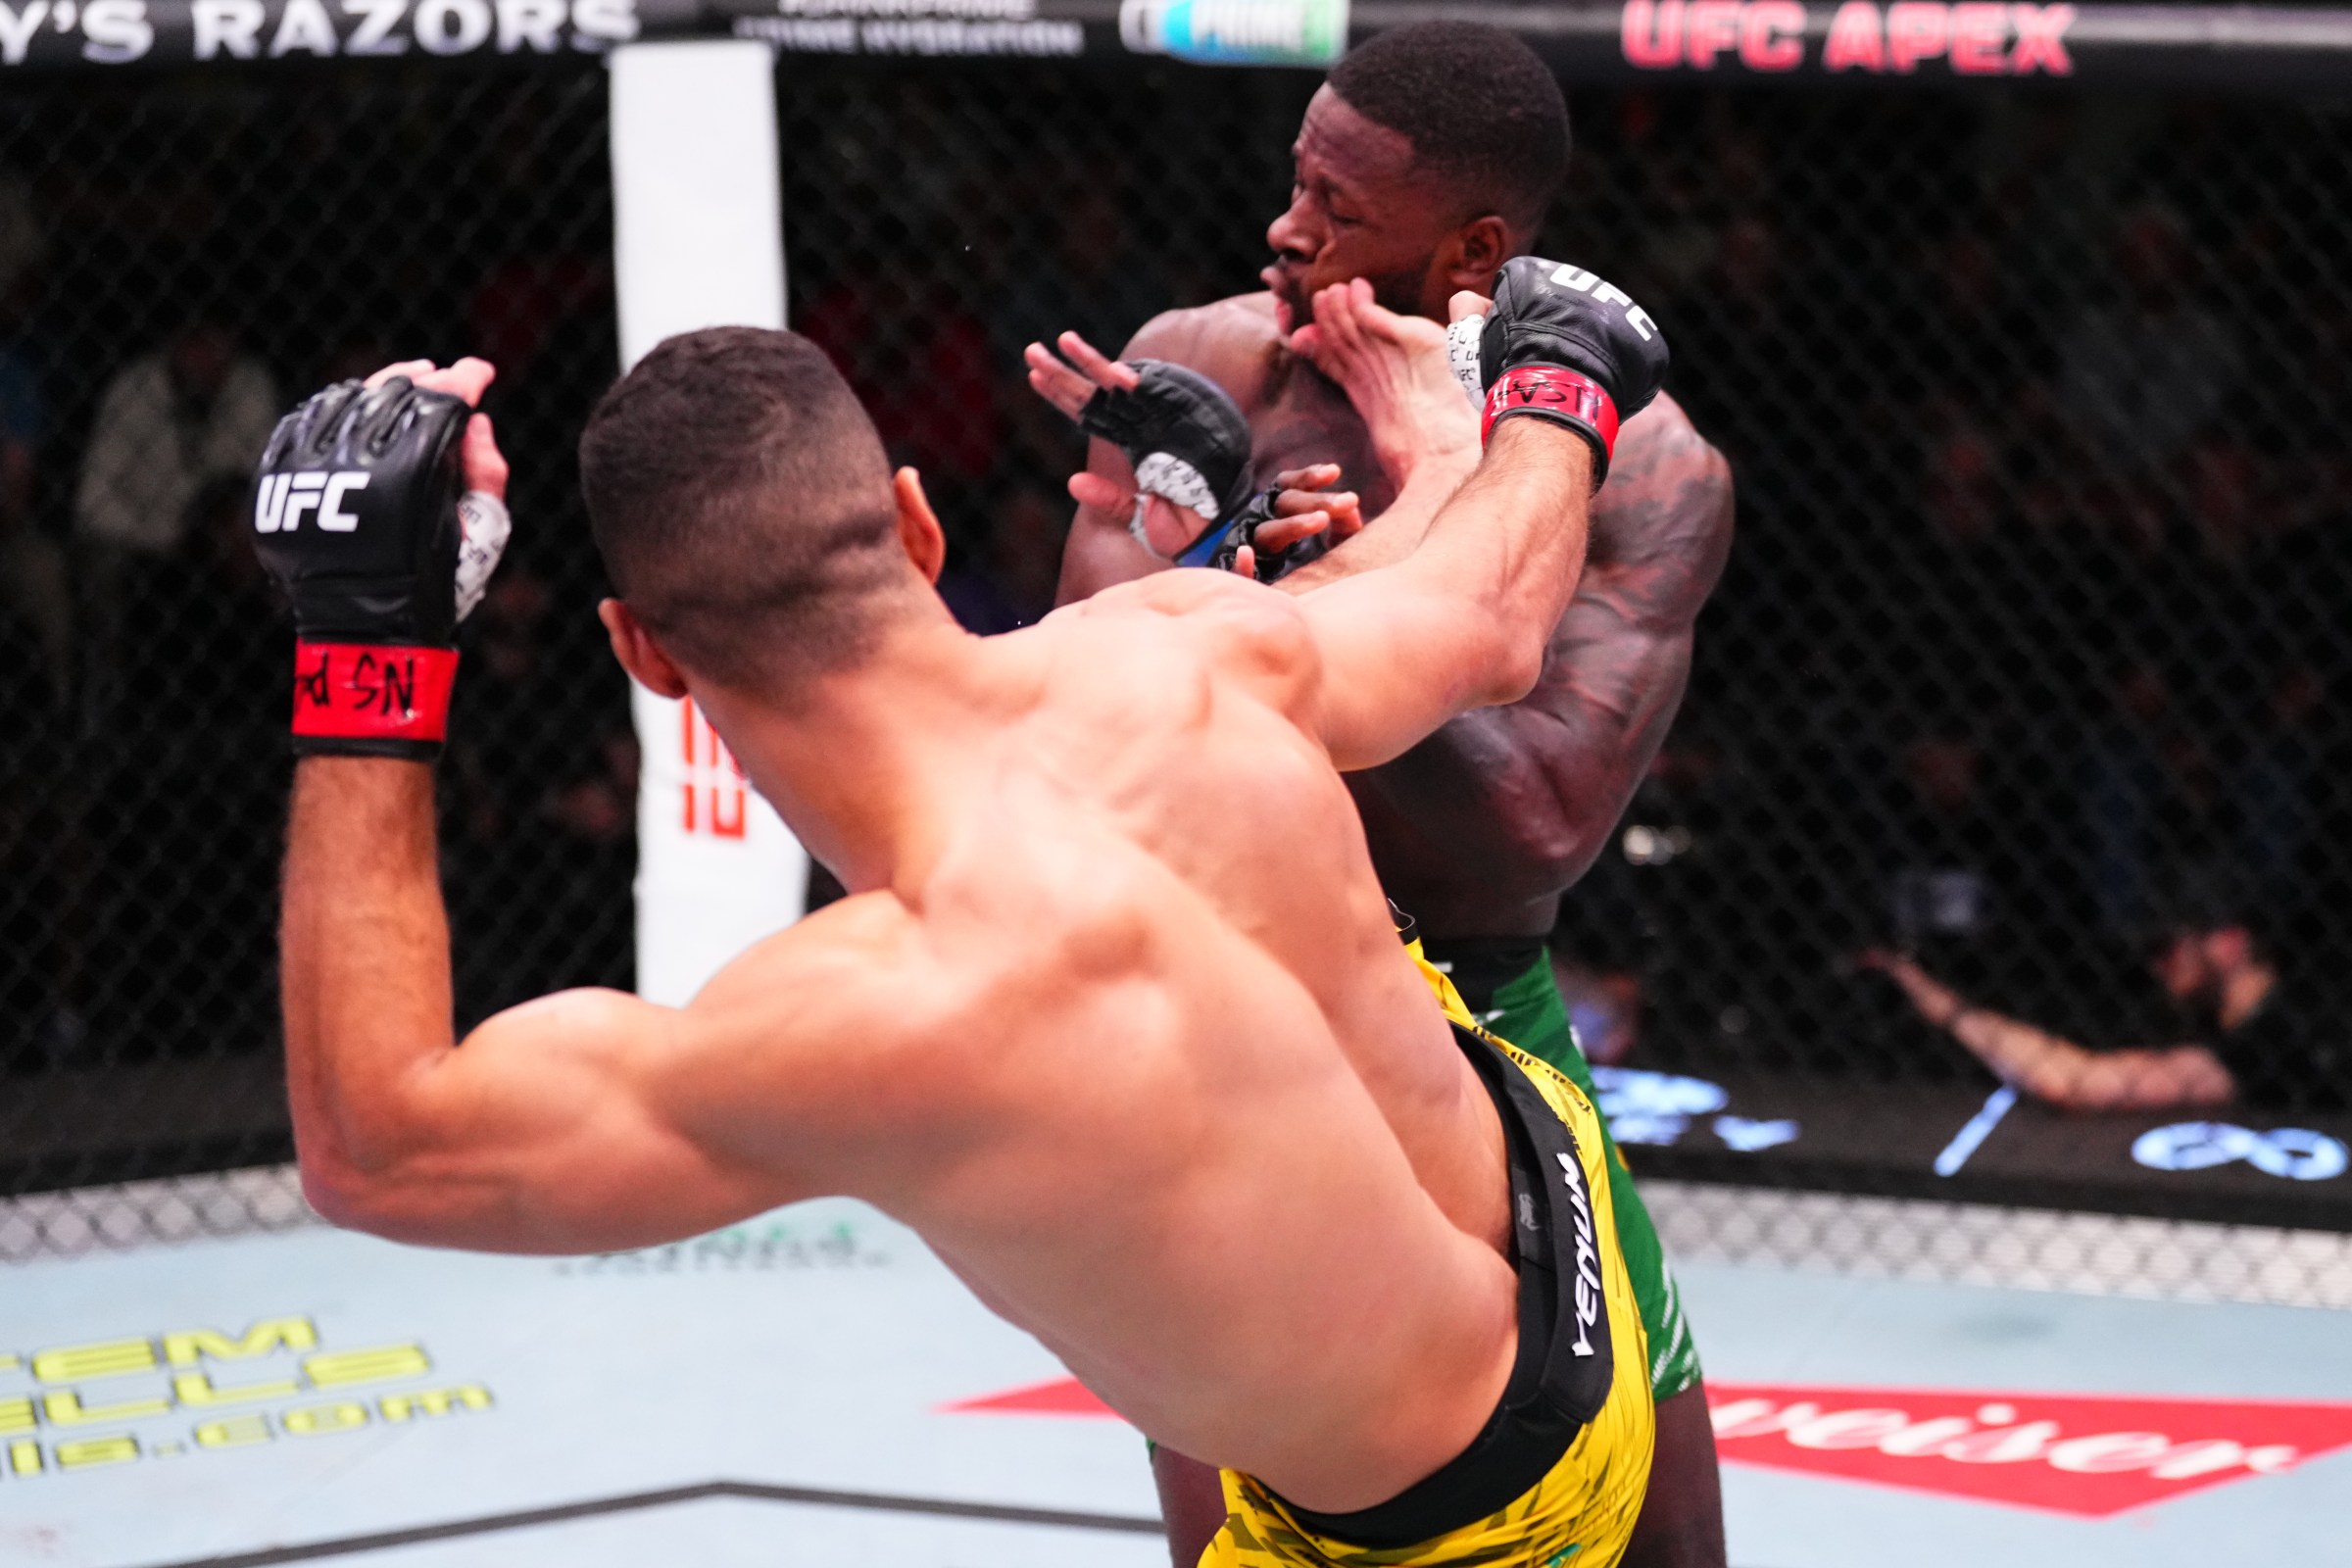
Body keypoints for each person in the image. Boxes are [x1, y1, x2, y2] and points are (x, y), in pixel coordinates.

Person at [265, 261, 1673, 1566]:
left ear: (646, 654)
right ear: (919, 526)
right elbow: (1488, 616)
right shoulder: (1177, 653)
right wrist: (1547, 387)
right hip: (1564, 1205)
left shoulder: (868, 1019)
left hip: (1463, 1526)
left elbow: (377, 1151)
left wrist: (365, 642)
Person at [1031, 23, 1734, 1565]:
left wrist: (1295, 627)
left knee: (1669, 1541)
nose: (1289, 228)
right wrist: (1195, 567)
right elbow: (1083, 701)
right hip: (1225, 1000)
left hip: (1475, 1008)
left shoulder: (1641, 466)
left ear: (1474, 245)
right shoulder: (1210, 358)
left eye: (1340, 209)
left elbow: (1536, 826)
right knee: (1245, 1527)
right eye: (1295, 180)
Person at [1860, 898, 2340, 1113]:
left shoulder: (2272, 1039)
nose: (2159, 965)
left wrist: (1948, 1009)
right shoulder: (2275, 1021)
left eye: (2171, 946)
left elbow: (2078, 1083)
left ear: (2229, 944)